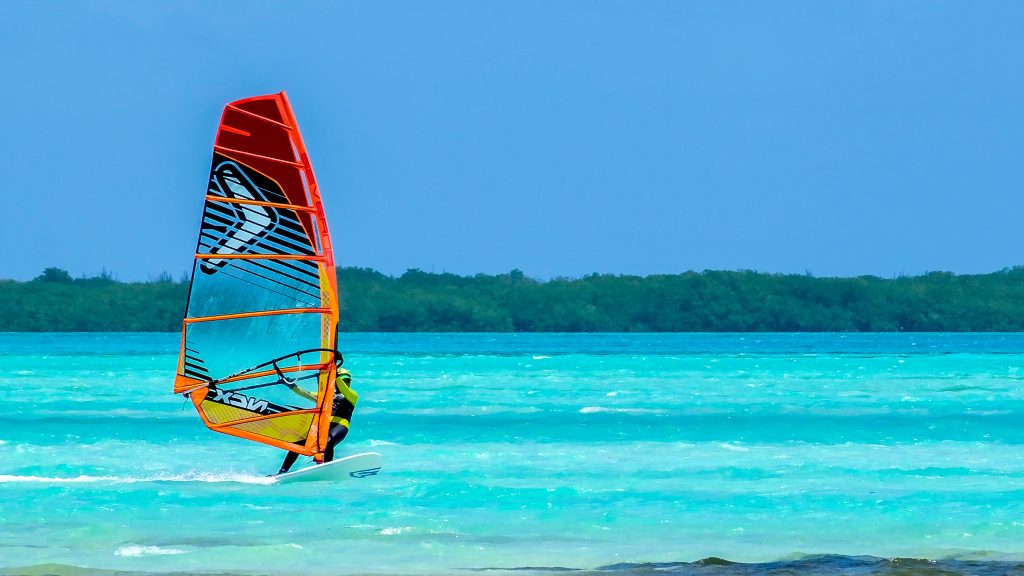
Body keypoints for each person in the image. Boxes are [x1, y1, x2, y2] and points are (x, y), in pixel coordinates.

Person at [276, 367, 358, 475]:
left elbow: (342, 387)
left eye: (347, 380)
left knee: (328, 442)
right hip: (324, 425)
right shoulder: (326, 396)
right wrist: (290, 385)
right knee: (298, 442)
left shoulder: (352, 395)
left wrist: (334, 376)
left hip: (341, 424)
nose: (346, 383)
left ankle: (327, 469)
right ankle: (282, 471)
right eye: (344, 380)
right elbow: (305, 393)